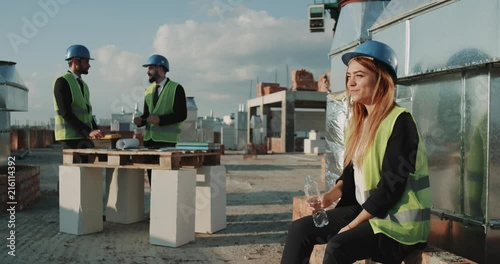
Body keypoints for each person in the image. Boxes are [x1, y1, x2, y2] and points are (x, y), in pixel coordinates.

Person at [281, 40, 431, 264]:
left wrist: (350, 226)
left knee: (338, 246)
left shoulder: (400, 122)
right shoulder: (359, 122)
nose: (351, 82)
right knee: (299, 230)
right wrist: (329, 196)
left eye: (359, 75)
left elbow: (391, 188)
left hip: (397, 224)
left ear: (381, 79)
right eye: (349, 76)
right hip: (370, 212)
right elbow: (351, 172)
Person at [133, 54, 187, 185]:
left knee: (166, 183)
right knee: (154, 182)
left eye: (150, 68)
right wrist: (141, 120)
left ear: (161, 69)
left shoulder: (176, 88)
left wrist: (160, 120)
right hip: (149, 142)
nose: (148, 72)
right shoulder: (148, 91)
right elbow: (148, 114)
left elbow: (182, 115)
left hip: (167, 143)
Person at [53, 44, 102, 157]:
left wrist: (96, 130)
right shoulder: (62, 82)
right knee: (76, 173)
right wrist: (88, 131)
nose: (89, 65)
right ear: (75, 62)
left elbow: (87, 113)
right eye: (86, 62)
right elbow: (65, 112)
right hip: (70, 139)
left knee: (88, 171)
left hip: (83, 136)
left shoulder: (84, 85)